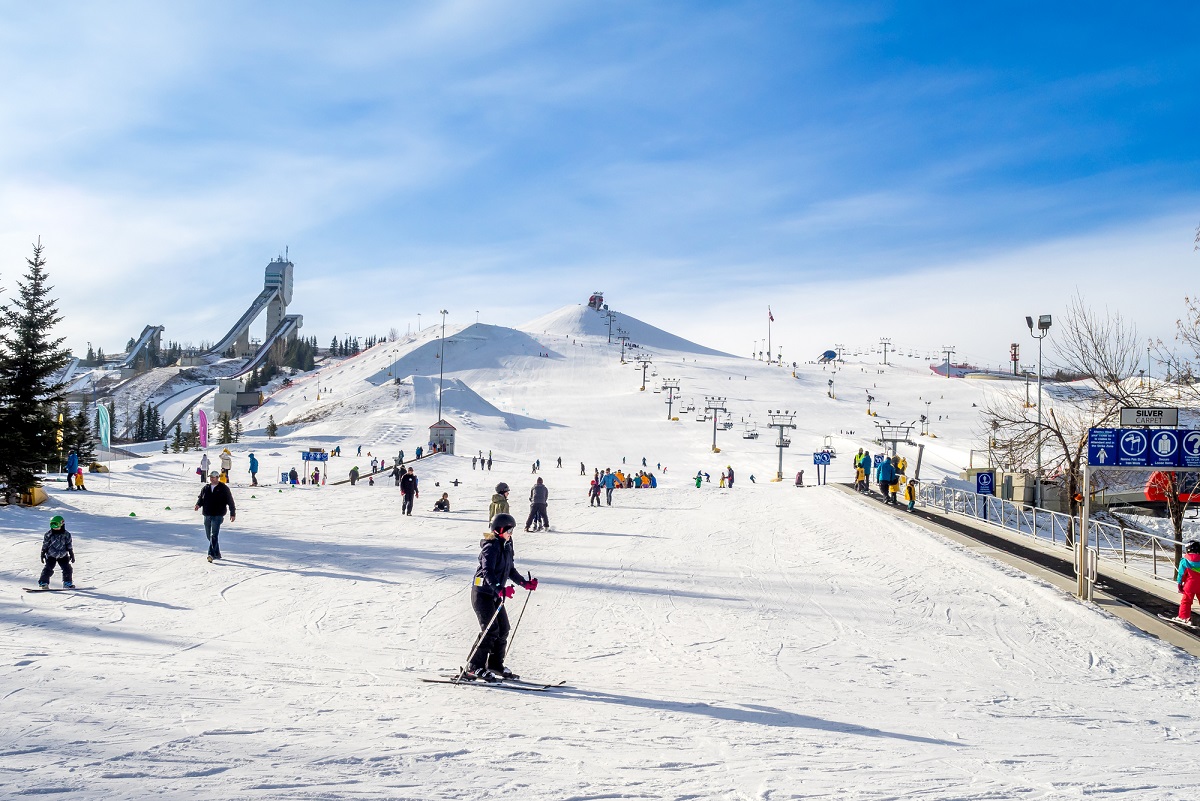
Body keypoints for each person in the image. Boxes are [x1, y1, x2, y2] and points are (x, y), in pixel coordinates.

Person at [460, 513, 538, 683]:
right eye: (509, 529)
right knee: (490, 629)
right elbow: (487, 571)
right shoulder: (491, 547)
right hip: (482, 594)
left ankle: (495, 664)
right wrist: (498, 588)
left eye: (512, 530)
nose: (511, 533)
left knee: (503, 628)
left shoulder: (507, 546)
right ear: (499, 529)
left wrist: (524, 583)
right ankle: (473, 666)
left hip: (495, 595)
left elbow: (509, 569)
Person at [195, 470, 236, 563]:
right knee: (208, 535)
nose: (211, 479)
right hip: (207, 514)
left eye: (213, 477)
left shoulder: (223, 488)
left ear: (217, 478)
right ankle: (217, 552)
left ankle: (211, 554)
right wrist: (198, 505)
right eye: (211, 477)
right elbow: (201, 498)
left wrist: (232, 513)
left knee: (214, 534)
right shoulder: (206, 488)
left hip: (218, 515)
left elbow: (230, 501)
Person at [37, 515, 75, 589]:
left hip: (63, 555)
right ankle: (43, 583)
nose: (55, 527)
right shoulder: (49, 534)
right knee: (48, 568)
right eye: (52, 525)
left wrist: (71, 554)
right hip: (51, 555)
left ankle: (67, 583)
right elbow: (45, 544)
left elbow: (69, 544)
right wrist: (42, 553)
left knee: (67, 569)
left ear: (62, 524)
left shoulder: (66, 534)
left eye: (56, 525)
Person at [1173, 541, 1200, 625]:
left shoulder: (1185, 561)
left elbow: (1181, 573)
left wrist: (1179, 583)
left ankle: (1183, 617)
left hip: (1190, 584)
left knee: (1186, 601)